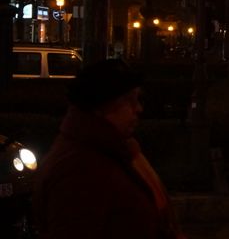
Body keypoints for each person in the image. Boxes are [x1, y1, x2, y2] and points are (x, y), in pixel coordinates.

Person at [32, 58, 186, 239]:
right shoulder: (79, 169)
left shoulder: (112, 151)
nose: (139, 109)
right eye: (129, 101)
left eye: (138, 99)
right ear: (101, 106)